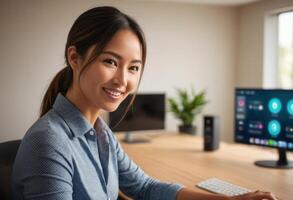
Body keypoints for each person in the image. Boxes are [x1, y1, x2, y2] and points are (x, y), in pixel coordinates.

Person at [12, 6, 279, 200]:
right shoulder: (49, 141)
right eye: (110, 62)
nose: (122, 80)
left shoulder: (101, 134)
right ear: (75, 58)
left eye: (133, 68)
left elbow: (144, 187)